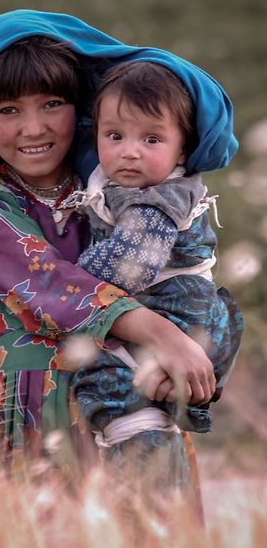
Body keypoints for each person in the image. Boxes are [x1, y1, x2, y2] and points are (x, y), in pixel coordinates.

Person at [0, 10, 236, 495]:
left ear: (83, 108)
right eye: (8, 110)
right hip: (39, 418)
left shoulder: (111, 189)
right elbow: (44, 282)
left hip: (134, 405)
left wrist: (181, 355)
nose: (33, 128)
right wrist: (163, 335)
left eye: (53, 103)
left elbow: (195, 102)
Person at [72, 61, 243, 445]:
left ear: (183, 146)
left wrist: (71, 277)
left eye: (151, 140)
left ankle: (133, 435)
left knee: (102, 378)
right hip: (179, 313)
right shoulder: (124, 183)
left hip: (176, 313)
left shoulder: (156, 200)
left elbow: (132, 265)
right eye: (114, 135)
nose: (130, 152)